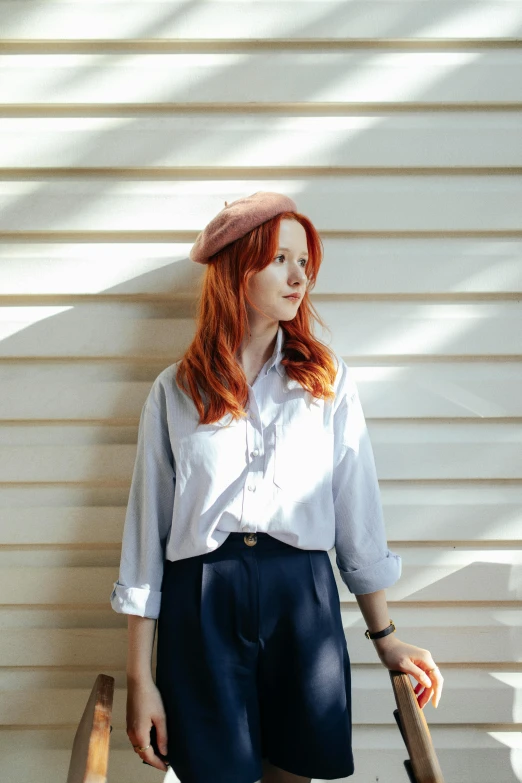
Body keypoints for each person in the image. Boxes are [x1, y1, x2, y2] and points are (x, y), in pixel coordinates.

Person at [110, 191, 444, 783]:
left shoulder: (325, 380)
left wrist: (386, 638)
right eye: (281, 259)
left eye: (304, 261)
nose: (300, 276)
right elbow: (146, 534)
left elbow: (356, 513)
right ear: (238, 268)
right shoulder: (176, 390)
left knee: (293, 774)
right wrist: (142, 680)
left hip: (303, 603)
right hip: (201, 603)